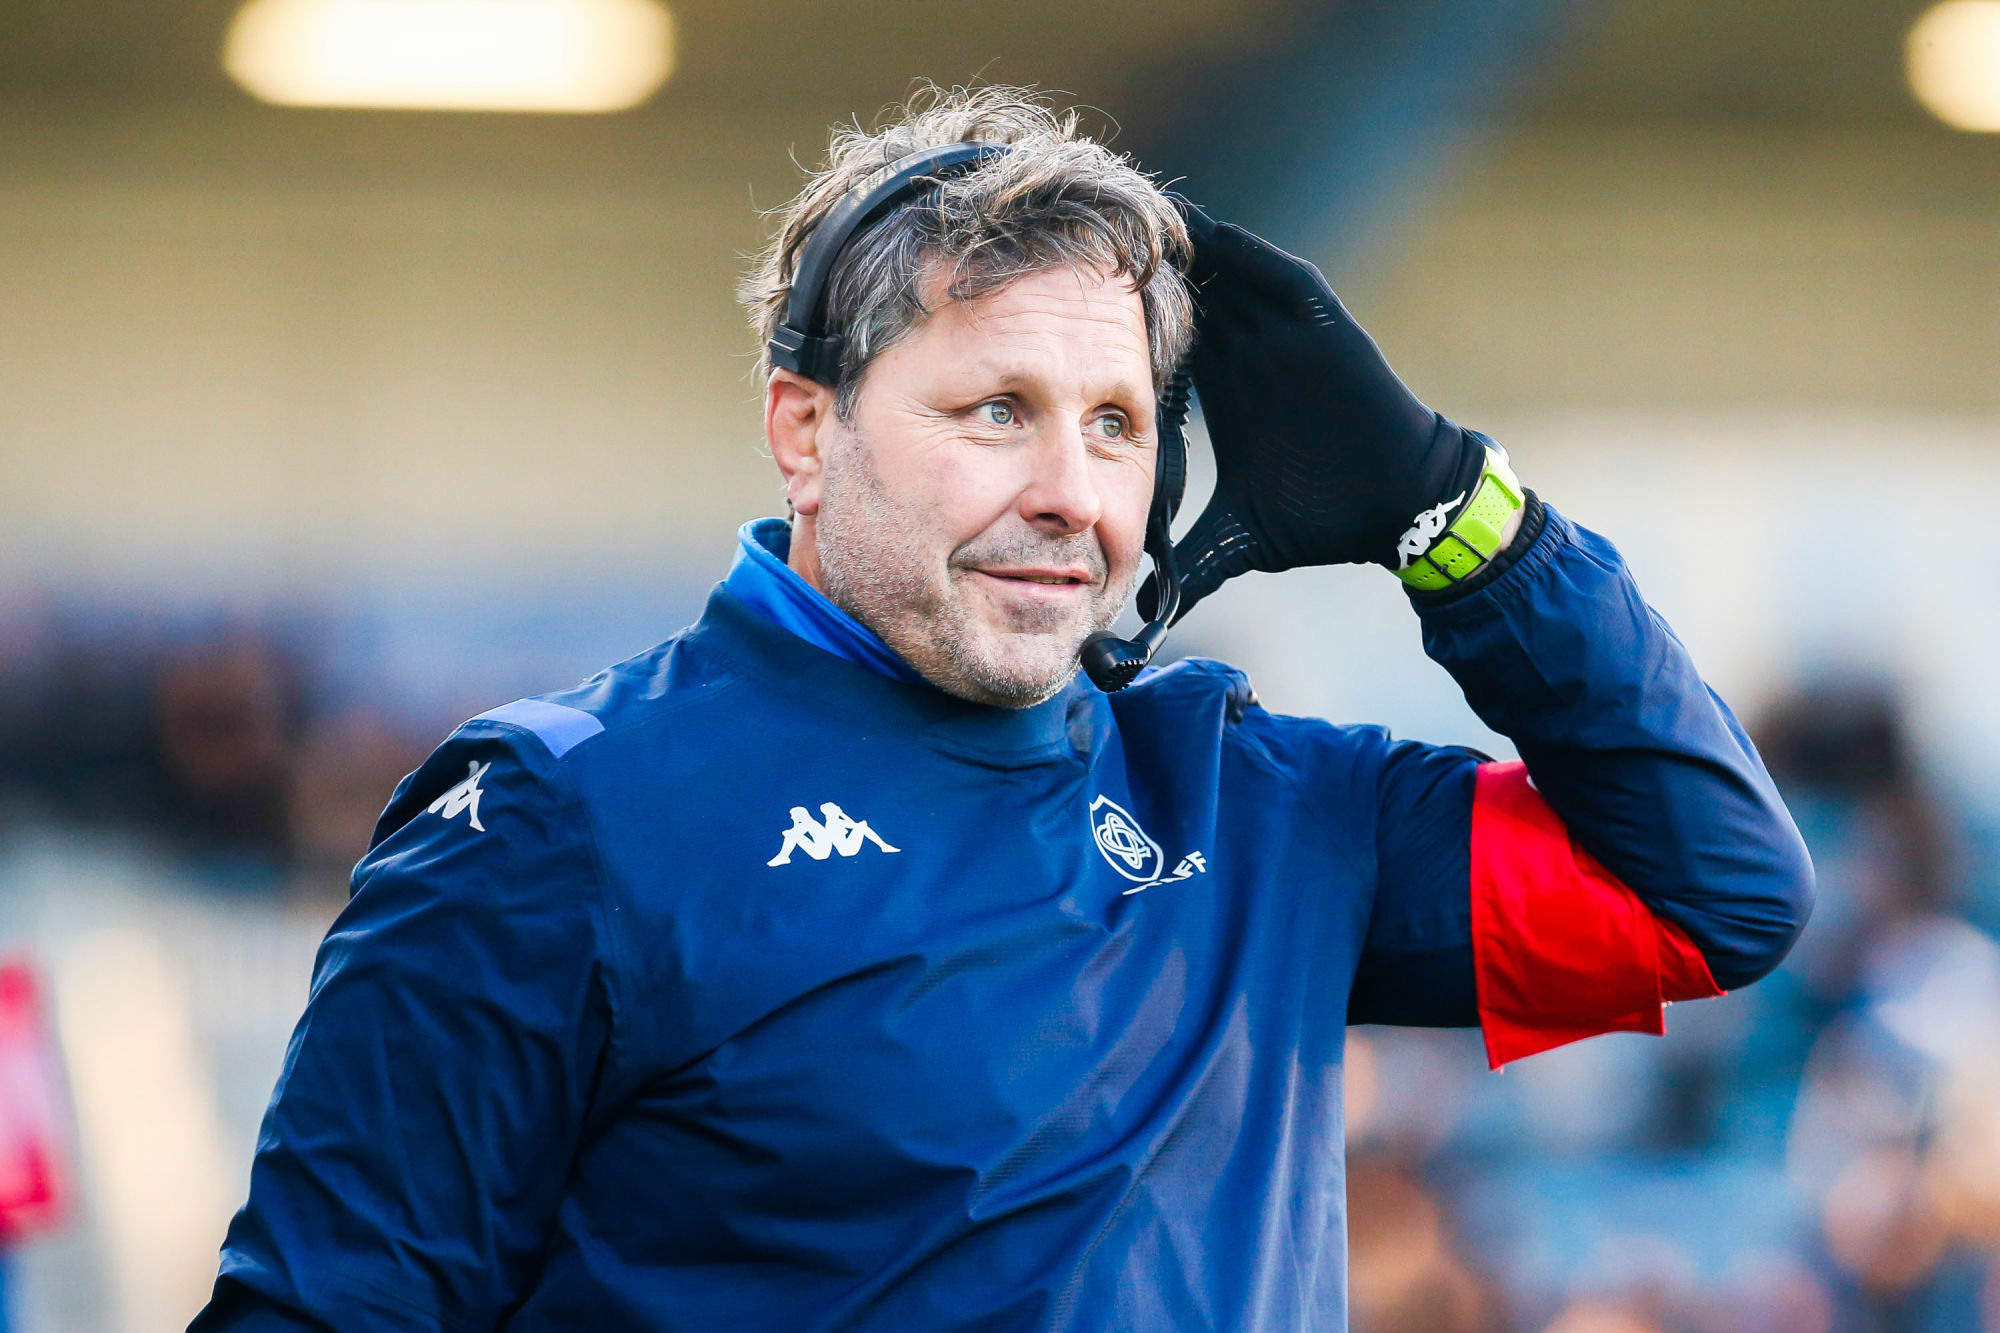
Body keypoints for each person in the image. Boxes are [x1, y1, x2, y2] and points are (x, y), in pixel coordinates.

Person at [190, 86, 1812, 1331]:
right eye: (997, 409)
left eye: (1117, 425)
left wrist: (1454, 513)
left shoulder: (1254, 803)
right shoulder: (561, 817)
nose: (1069, 493)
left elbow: (1716, 890)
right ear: (805, 430)